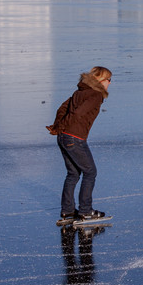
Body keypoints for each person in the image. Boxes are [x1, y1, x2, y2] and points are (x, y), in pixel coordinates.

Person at [48, 66, 112, 223]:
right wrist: (69, 128)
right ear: (100, 80)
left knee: (73, 174)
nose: (110, 83)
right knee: (90, 172)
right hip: (74, 138)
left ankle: (68, 211)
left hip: (64, 137)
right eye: (108, 80)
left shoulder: (80, 92)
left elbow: (62, 109)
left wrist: (60, 128)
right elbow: (78, 113)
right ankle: (85, 211)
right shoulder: (95, 95)